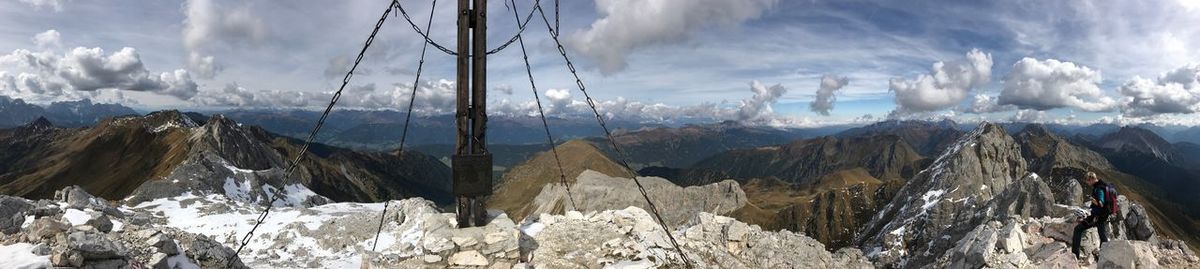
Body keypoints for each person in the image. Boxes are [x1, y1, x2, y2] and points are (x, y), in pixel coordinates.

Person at [1072, 171, 1111, 258]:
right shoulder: (1102, 185)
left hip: (1097, 216)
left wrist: (1093, 200)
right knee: (1102, 236)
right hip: (1102, 216)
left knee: (1078, 229)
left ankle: (1075, 255)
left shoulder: (1099, 189)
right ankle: (1104, 256)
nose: (1087, 182)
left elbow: (1101, 203)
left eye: (1088, 180)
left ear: (1092, 179)